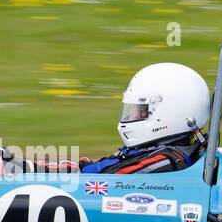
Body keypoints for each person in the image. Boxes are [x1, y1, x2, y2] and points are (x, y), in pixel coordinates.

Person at [35, 62, 211, 174]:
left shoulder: (164, 161)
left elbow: (97, 181)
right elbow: (92, 170)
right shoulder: (154, 151)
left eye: (140, 110)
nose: (131, 117)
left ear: (170, 112)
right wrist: (27, 166)